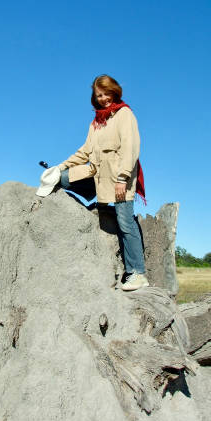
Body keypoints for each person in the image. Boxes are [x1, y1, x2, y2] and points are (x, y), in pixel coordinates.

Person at [57, 74, 149, 291]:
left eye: (106, 93)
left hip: (120, 179)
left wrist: (122, 178)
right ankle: (98, 206)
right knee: (61, 179)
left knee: (125, 222)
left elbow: (131, 148)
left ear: (114, 91)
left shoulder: (124, 114)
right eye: (99, 95)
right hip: (99, 178)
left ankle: (138, 273)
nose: (103, 98)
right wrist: (59, 167)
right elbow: (85, 152)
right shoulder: (96, 122)